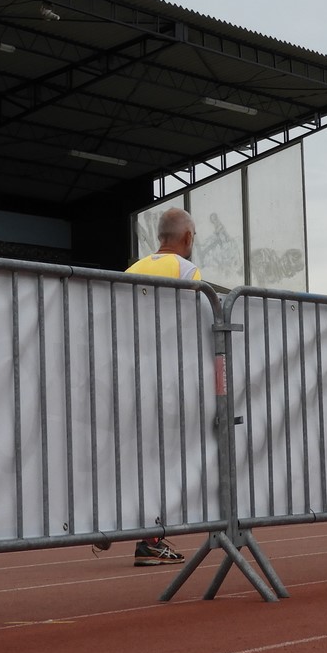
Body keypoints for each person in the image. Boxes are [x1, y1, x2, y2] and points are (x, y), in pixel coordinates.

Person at [124, 207, 202, 567]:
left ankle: (111, 522)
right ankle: (150, 539)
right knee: (165, 459)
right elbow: (192, 324)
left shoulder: (132, 270)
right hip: (165, 379)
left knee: (131, 456)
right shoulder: (185, 270)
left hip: (127, 376)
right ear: (186, 237)